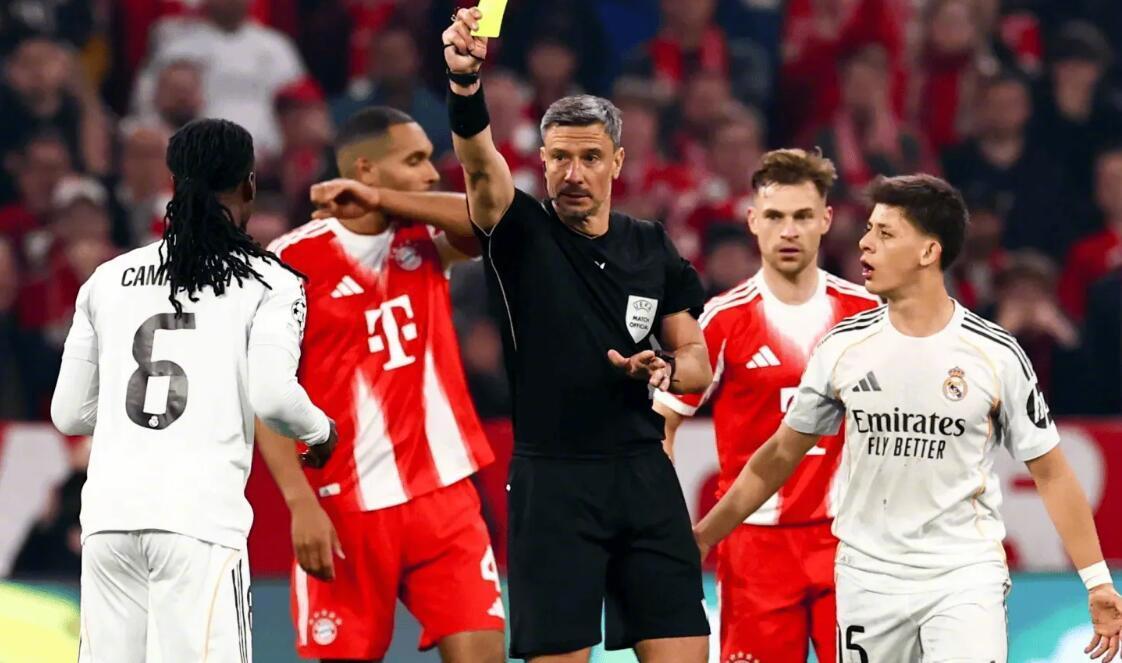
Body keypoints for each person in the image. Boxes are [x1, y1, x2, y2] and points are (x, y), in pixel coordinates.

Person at [693, 174, 1122, 662]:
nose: (865, 243)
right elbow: (779, 455)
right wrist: (705, 535)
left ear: (928, 251)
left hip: (964, 576)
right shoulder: (842, 347)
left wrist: (1096, 582)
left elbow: (1052, 472)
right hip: (867, 579)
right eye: (868, 230)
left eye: (885, 233)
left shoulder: (995, 353)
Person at [443, 8, 713, 662]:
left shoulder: (651, 246)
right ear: (542, 161)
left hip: (643, 476)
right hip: (553, 482)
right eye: (560, 158)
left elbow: (697, 361)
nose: (573, 173)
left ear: (616, 161)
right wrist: (465, 83)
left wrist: (664, 369)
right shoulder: (519, 232)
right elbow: (478, 164)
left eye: (590, 158)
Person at [49, 118, 337, 662]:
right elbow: (273, 397)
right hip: (199, 522)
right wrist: (321, 431)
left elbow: (69, 413)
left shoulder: (108, 278)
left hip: (108, 520)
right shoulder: (269, 281)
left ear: (174, 182)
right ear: (249, 185)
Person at [256, 106, 504, 663]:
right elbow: (266, 395)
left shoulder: (426, 234)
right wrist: (300, 504)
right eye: (414, 161)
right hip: (346, 508)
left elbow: (490, 219)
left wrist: (381, 200)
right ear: (365, 168)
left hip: (445, 497)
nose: (431, 173)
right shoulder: (289, 264)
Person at [655, 148, 879, 663]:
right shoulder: (722, 320)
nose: (789, 231)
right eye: (775, 216)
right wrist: (665, 522)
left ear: (826, 220)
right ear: (753, 221)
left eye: (803, 216)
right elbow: (662, 421)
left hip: (850, 542)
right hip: (754, 549)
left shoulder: (867, 315)